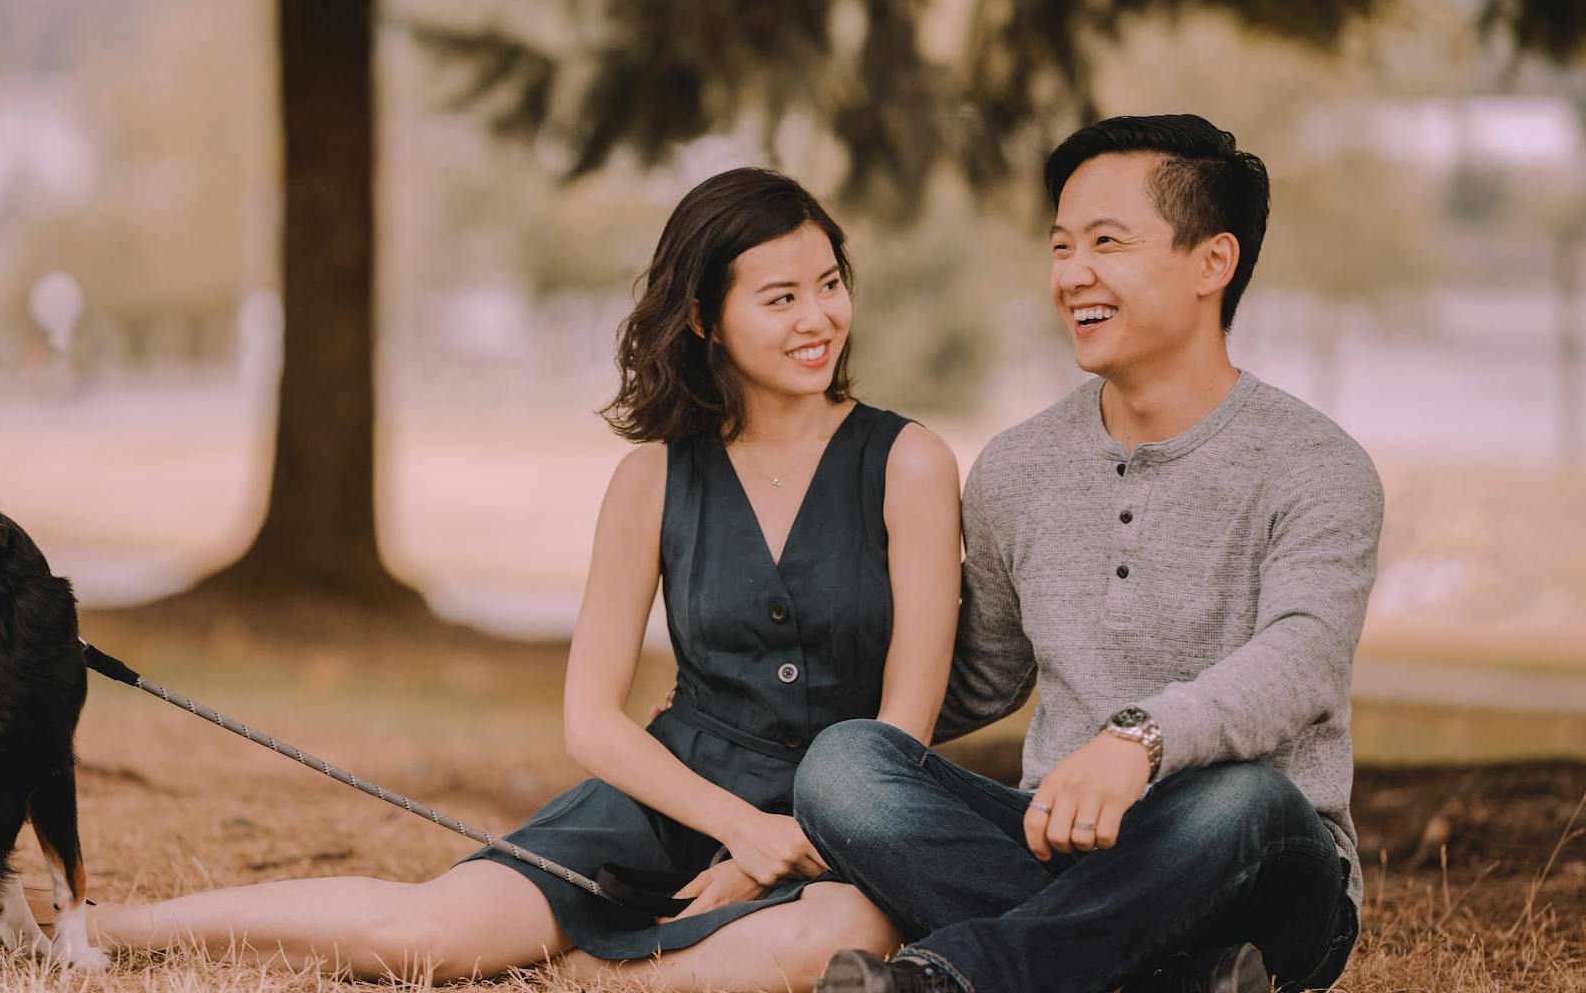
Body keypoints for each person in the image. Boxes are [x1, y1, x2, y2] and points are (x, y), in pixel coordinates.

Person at [81, 167, 963, 991]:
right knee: (423, 938)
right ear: (704, 318)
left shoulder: (909, 464)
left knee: (834, 944)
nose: (818, 317)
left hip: (840, 828)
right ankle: (99, 927)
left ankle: (586, 972)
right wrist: (735, 829)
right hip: (666, 800)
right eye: (781, 298)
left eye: (830, 284)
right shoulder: (653, 480)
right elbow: (589, 719)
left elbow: (901, 733)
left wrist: (782, 845)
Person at [797, 116, 1381, 993]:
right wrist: (777, 681)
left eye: (1107, 243)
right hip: (1055, 847)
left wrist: (1139, 741)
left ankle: (952, 978)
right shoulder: (1019, 467)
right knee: (845, 767)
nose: (1072, 275)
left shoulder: (1316, 465)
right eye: (1062, 245)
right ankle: (1162, 976)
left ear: (1212, 263)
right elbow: (975, 677)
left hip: (1260, 865)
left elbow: (1301, 663)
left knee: (1242, 796)